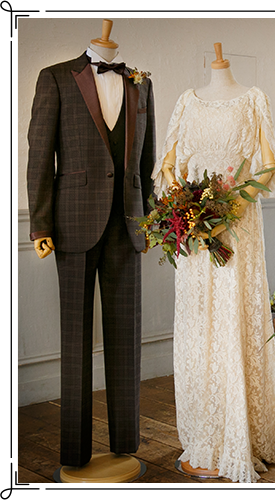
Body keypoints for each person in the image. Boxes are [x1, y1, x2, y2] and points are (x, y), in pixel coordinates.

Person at [152, 43, 275, 483]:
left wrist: (231, 206)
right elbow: (169, 166)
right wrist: (187, 209)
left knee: (234, 317)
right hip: (196, 237)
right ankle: (205, 432)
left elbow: (269, 167)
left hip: (237, 226)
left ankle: (241, 430)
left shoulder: (254, 99)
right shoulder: (186, 102)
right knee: (199, 327)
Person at [27, 19, 155, 470]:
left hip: (128, 225)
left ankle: (125, 442)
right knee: (75, 340)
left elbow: (146, 159)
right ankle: (75, 451)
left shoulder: (141, 82)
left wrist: (150, 221)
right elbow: (39, 155)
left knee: (126, 340)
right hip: (72, 224)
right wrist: (40, 224)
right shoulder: (55, 78)